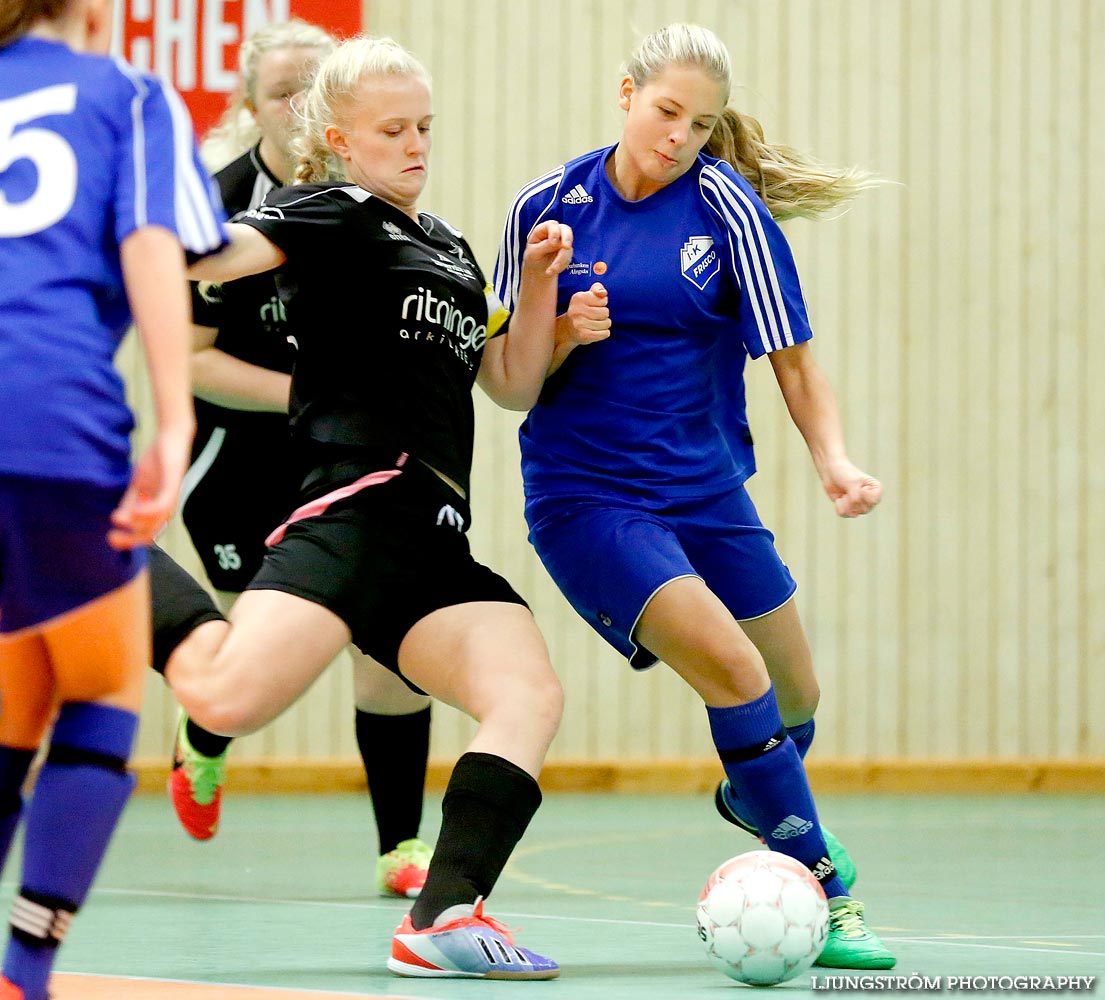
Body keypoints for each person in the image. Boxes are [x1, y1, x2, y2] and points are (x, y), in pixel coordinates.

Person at [148, 34, 571, 980]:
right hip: (356, 503)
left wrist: (537, 290)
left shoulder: (450, 248)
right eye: (392, 130)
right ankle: (105, 560)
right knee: (223, 696)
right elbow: (212, 253)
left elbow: (508, 384)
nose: (416, 144)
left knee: (526, 695)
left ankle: (443, 917)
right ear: (339, 140)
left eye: (424, 126)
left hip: (434, 533)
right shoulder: (328, 209)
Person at [494, 22, 895, 970]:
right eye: (666, 111)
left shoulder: (728, 210)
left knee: (795, 695)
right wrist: (554, 331)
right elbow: (506, 386)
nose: (678, 136)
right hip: (586, 497)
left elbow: (794, 366)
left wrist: (833, 461)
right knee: (734, 673)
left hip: (707, 492)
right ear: (625, 93)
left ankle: (753, 790)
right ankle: (827, 894)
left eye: (699, 123)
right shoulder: (545, 207)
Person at [171, 18, 434, 901]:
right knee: (255, 664)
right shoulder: (223, 209)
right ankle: (205, 737)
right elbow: (190, 356)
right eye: (279, 88)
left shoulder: (379, 208)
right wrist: (305, 397)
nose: (294, 101)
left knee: (388, 643)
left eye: (310, 86)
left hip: (351, 466)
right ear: (252, 106)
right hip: (240, 457)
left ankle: (400, 844)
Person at [0, 0, 226, 995]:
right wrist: (174, 423)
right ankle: (26, 966)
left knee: (12, 707)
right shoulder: (128, 95)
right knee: (97, 694)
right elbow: (153, 247)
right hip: (49, 413)